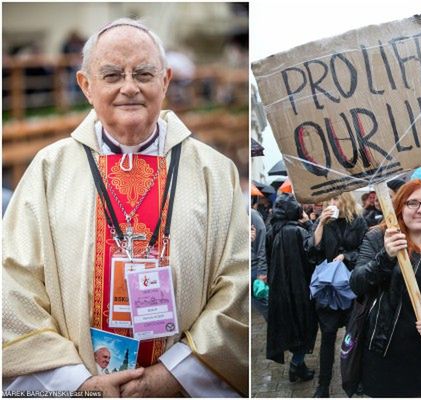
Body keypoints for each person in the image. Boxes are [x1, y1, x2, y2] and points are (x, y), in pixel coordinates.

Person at [3, 18, 248, 397]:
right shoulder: (48, 171)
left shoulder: (215, 172)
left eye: (144, 73)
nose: (129, 87)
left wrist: (173, 376)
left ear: (165, 81)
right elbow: (13, 286)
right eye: (113, 74)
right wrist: (80, 385)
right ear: (86, 85)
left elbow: (239, 283)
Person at [350, 179, 421, 397]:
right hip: (383, 353)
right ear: (400, 205)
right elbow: (357, 284)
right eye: (413, 203)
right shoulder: (378, 237)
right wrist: (385, 257)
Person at [305, 192, 367, 397]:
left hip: (351, 288)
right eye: (329, 200)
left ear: (346, 200)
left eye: (335, 199)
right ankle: (323, 385)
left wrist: (346, 256)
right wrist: (321, 224)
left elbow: (365, 251)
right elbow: (312, 252)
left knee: (354, 336)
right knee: (328, 336)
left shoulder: (357, 222)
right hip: (329, 290)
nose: (331, 203)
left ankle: (355, 379)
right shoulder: (324, 222)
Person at [265, 194, 318, 384]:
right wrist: (310, 225)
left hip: (279, 290)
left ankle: (299, 365)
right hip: (299, 290)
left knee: (291, 327)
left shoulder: (272, 230)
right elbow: (313, 251)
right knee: (304, 327)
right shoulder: (297, 231)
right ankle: (297, 365)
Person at [251, 208, 268, 320]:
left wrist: (262, 271)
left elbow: (263, 245)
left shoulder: (252, 215)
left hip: (254, 269)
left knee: (265, 304)